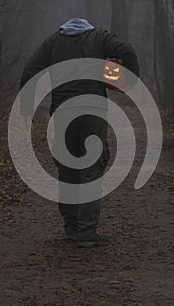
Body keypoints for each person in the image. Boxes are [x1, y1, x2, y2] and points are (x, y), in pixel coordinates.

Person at [20, 18, 139, 248]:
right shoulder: (99, 37)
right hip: (92, 113)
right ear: (87, 27)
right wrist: (130, 82)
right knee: (91, 170)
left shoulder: (52, 42)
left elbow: (29, 70)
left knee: (67, 170)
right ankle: (87, 232)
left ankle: (71, 229)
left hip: (62, 114)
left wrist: (26, 109)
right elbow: (127, 50)